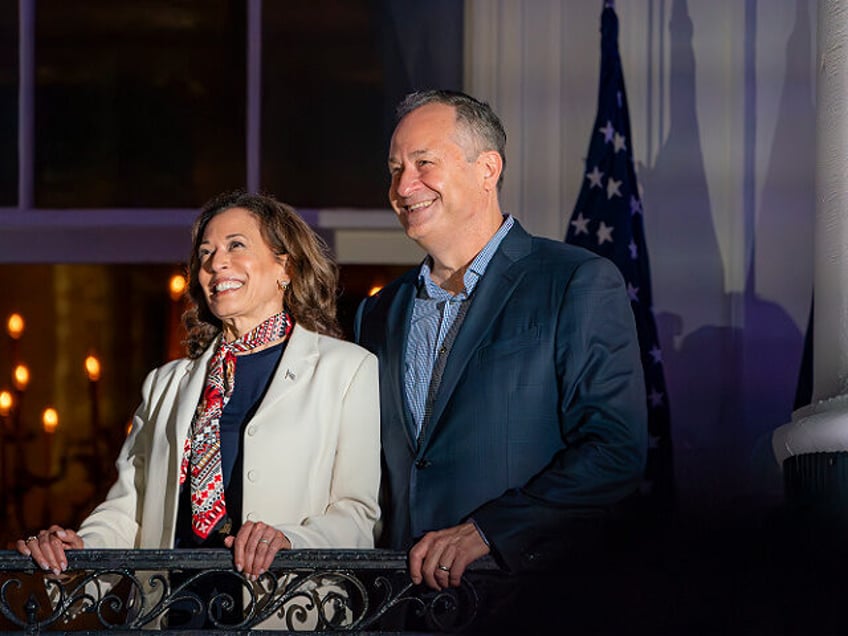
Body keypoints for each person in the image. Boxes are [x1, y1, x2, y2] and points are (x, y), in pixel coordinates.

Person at [17, 191, 380, 625]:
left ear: (285, 266)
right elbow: (129, 507)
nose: (215, 263)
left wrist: (289, 540)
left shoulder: (347, 369)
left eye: (236, 246)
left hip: (286, 608)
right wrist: (81, 548)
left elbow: (358, 514)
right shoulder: (164, 383)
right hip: (173, 613)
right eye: (205, 253)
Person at [354, 90, 647, 595]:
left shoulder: (575, 281)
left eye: (424, 163)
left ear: (487, 170)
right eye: (395, 169)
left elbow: (614, 450)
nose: (404, 185)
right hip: (397, 606)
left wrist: (490, 531)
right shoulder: (378, 312)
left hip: (523, 600)